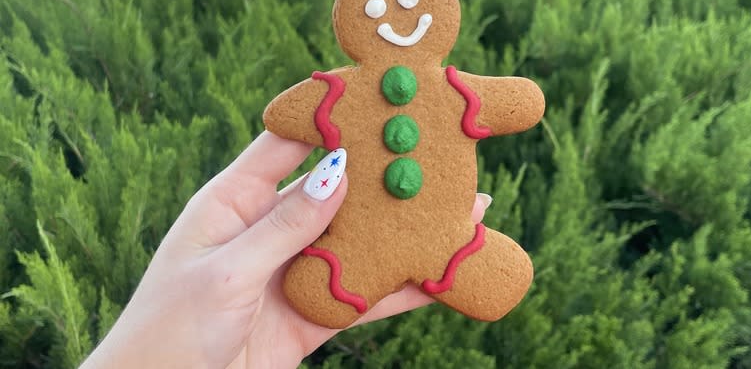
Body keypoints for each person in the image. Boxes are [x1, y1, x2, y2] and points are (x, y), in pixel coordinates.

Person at [80, 132, 492, 368]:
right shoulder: (343, 91)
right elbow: (288, 115)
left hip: (424, 235)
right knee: (323, 287)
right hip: (345, 257)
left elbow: (522, 101)